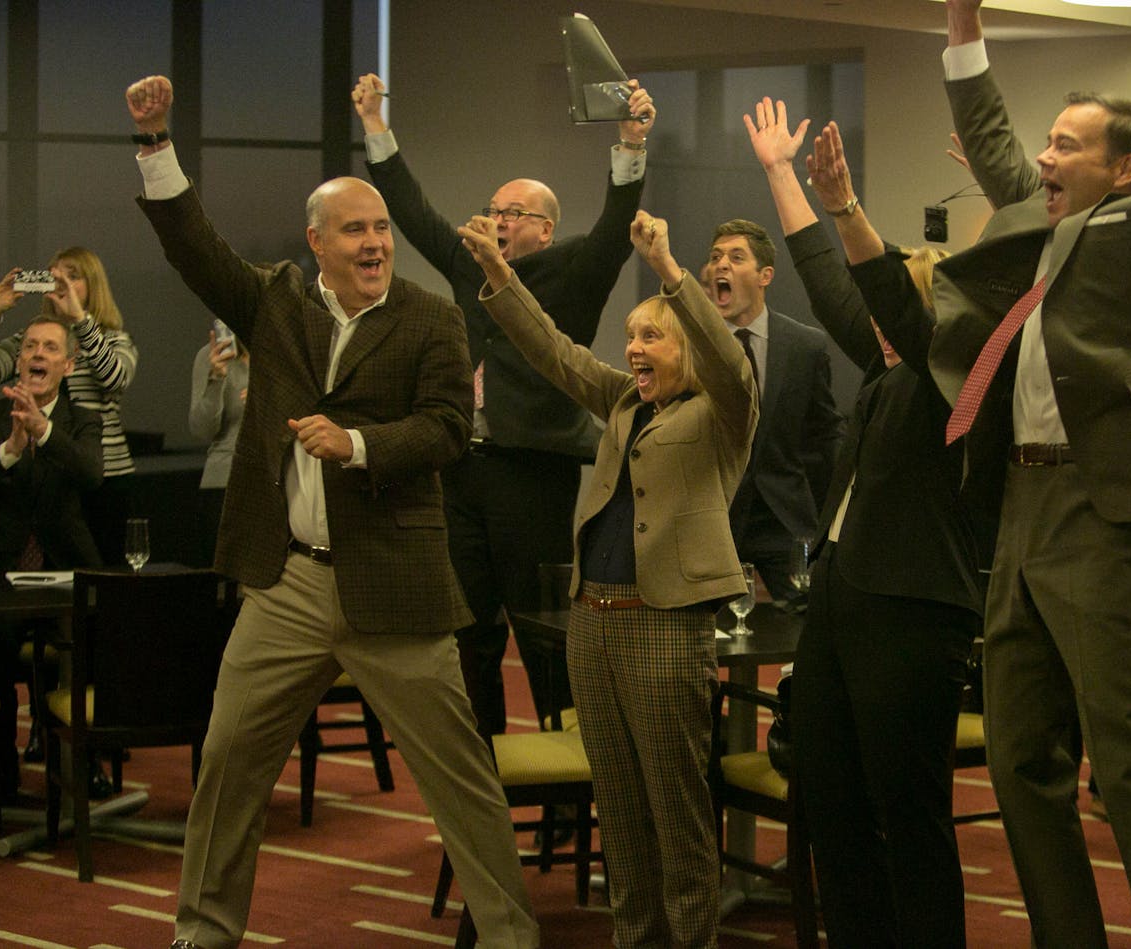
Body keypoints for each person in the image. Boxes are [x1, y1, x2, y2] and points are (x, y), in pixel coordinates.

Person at [124, 75, 537, 949]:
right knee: (228, 765)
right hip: (287, 583)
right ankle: (202, 930)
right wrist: (156, 144)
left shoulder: (430, 318)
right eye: (356, 229)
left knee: (461, 778)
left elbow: (448, 430)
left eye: (383, 228)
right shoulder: (274, 300)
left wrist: (355, 446)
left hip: (395, 585)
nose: (376, 242)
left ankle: (510, 936)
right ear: (317, 242)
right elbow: (196, 249)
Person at [926, 2, 1131, 946]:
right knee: (1018, 760)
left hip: (1106, 513)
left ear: (1125, 169)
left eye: (1065, 146)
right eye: (1046, 145)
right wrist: (963, 24)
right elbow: (991, 145)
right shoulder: (1044, 228)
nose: (1042, 160)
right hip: (1023, 506)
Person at [459, 207, 756, 949]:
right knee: (620, 814)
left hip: (666, 624)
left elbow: (727, 359)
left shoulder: (723, 410)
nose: (633, 348)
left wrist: (669, 273)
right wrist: (501, 279)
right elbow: (555, 352)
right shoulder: (623, 400)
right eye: (631, 337)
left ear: (685, 345)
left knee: (678, 816)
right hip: (593, 621)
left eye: (650, 335)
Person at [745, 99, 984, 946]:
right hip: (844, 603)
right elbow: (829, 279)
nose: (870, 318)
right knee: (830, 798)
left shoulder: (951, 386)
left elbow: (880, 296)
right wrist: (782, 175)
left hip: (915, 611)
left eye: (891, 306)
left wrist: (847, 207)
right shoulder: (884, 375)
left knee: (908, 812)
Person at [354, 73, 654, 738]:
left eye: (511, 212)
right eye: (491, 207)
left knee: (541, 629)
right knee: (469, 632)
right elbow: (413, 211)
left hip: (532, 471)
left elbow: (613, 228)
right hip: (460, 469)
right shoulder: (469, 265)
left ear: (544, 229)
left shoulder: (571, 271)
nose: (495, 218)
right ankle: (481, 775)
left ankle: (571, 768)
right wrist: (376, 126)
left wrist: (630, 141)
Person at [0, 315, 103, 800]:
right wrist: (10, 449)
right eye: (30, 346)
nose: (37, 355)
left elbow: (92, 474)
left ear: (67, 365)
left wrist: (44, 430)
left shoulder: (82, 420)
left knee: (90, 637)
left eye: (50, 348)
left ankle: (80, 769)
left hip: (64, 570)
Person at [708, 218, 843, 608]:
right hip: (715, 516)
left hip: (783, 517)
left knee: (807, 618)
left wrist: (830, 518)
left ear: (765, 275)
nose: (722, 265)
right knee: (706, 633)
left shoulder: (805, 345)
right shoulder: (694, 343)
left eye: (736, 257)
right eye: (716, 257)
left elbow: (824, 436)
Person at [0, 250, 138, 567]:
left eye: (72, 276)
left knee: (106, 579)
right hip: (46, 476)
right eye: (54, 275)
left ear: (93, 286)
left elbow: (115, 378)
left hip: (102, 474)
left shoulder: (112, 339)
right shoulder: (32, 340)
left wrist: (80, 322)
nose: (60, 283)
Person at [187, 328, 248, 568]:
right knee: (221, 589)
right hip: (224, 481)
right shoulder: (211, 354)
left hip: (276, 481)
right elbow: (201, 430)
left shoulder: (281, 350)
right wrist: (216, 379)